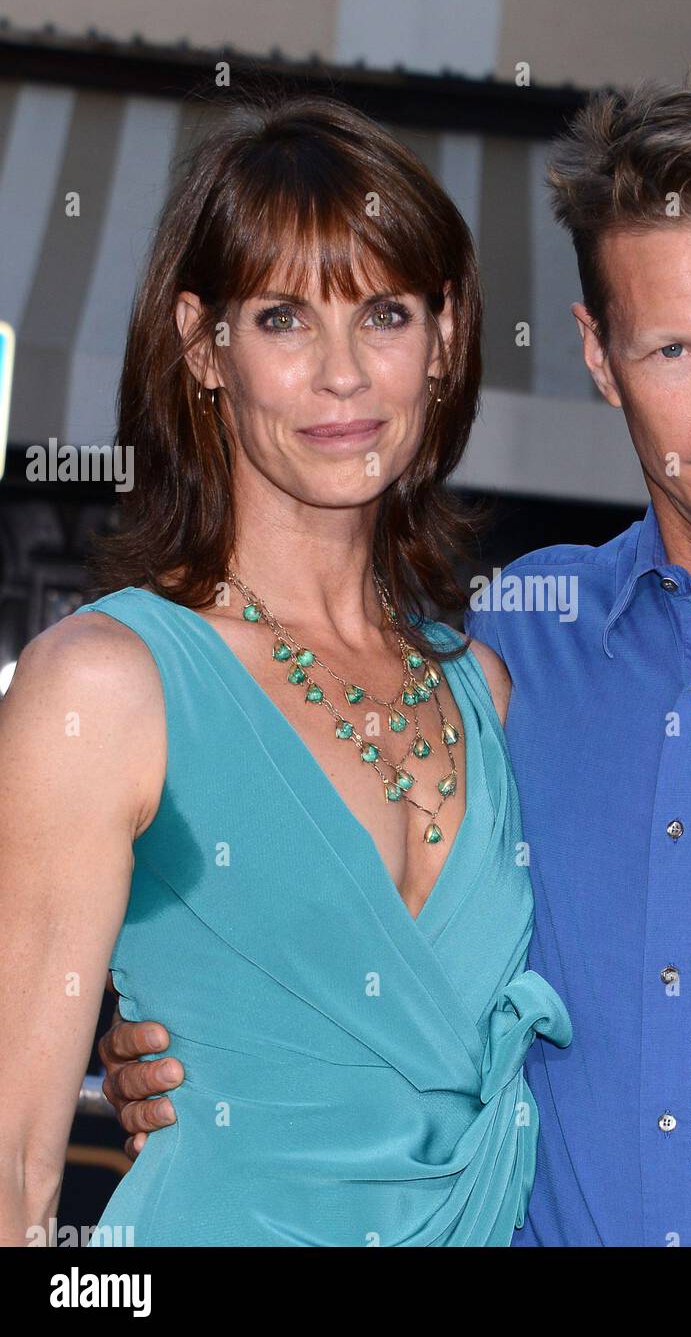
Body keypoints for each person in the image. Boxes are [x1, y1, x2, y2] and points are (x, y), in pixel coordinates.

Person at [100, 79, 691, 1247]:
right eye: (671, 349)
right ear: (598, 355)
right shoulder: (501, 655)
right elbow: (352, 964)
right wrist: (191, 1053)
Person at [0, 89, 570, 1248]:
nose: (344, 375)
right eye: (284, 320)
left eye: (386, 313)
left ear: (448, 337)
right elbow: (12, 1167)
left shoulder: (489, 693)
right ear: (204, 346)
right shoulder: (105, 687)